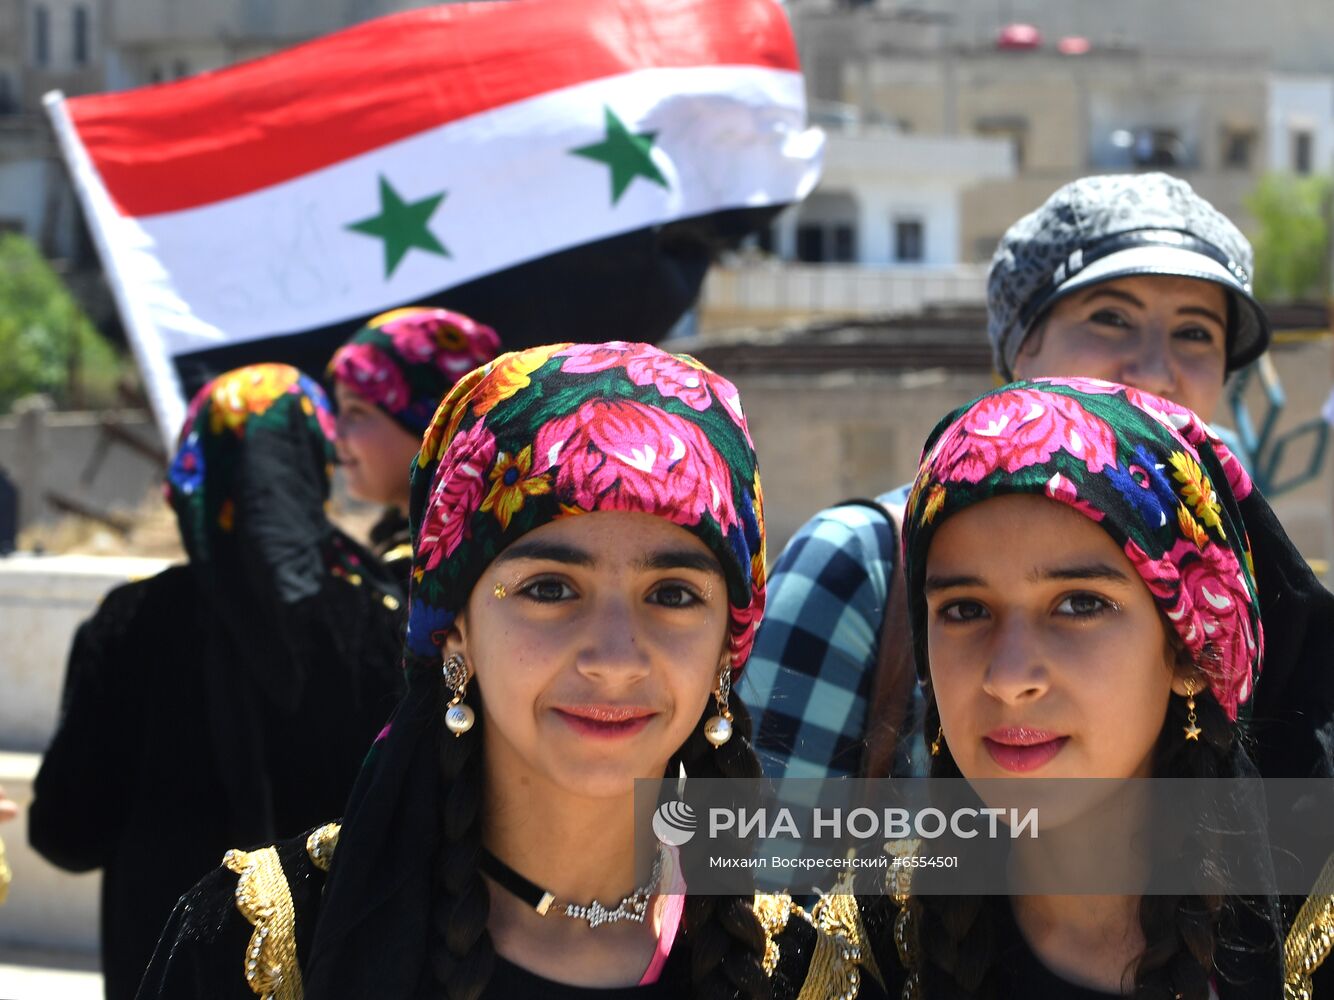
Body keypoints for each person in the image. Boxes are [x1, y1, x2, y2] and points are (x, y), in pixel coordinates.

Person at [138, 343, 885, 1000]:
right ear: (453, 626)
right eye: (550, 589)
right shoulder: (255, 947)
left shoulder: (803, 973)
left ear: (731, 641)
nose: (614, 658)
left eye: (673, 595)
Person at [744, 172, 1281, 782]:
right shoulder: (858, 561)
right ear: (1017, 350)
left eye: (1194, 333)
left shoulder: (1255, 593)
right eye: (1111, 317)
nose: (1156, 369)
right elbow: (757, 860)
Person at [858, 377, 1334, 998]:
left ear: (1192, 652)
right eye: (966, 610)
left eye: (1080, 604)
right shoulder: (868, 948)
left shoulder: (1310, 926)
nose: (1008, 679)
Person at [29, 365, 404, 1000]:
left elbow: (66, 833)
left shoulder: (128, 624)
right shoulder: (380, 623)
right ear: (314, 461)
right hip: (335, 970)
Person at [327, 307, 501, 574]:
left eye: (356, 412)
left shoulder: (479, 558)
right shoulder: (397, 546)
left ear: (432, 421)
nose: (335, 434)